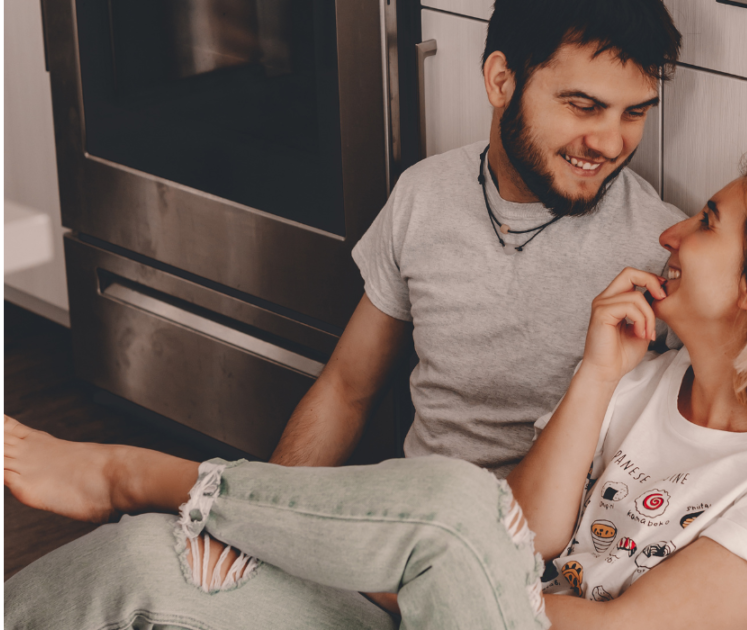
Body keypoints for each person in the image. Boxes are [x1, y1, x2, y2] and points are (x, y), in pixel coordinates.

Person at [5, 155, 747, 629]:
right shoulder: (646, 384)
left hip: (479, 616)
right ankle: (168, 508)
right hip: (461, 616)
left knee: (455, 503)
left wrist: (417, 573)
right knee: (144, 566)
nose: (670, 229)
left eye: (706, 223)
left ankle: (146, 473)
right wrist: (595, 372)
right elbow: (531, 531)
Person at [267, 0, 685, 478]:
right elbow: (346, 390)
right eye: (584, 107)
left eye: (634, 113)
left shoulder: (663, 248)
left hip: (556, 541)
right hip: (413, 514)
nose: (611, 144)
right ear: (501, 81)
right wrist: (268, 508)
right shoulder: (424, 194)